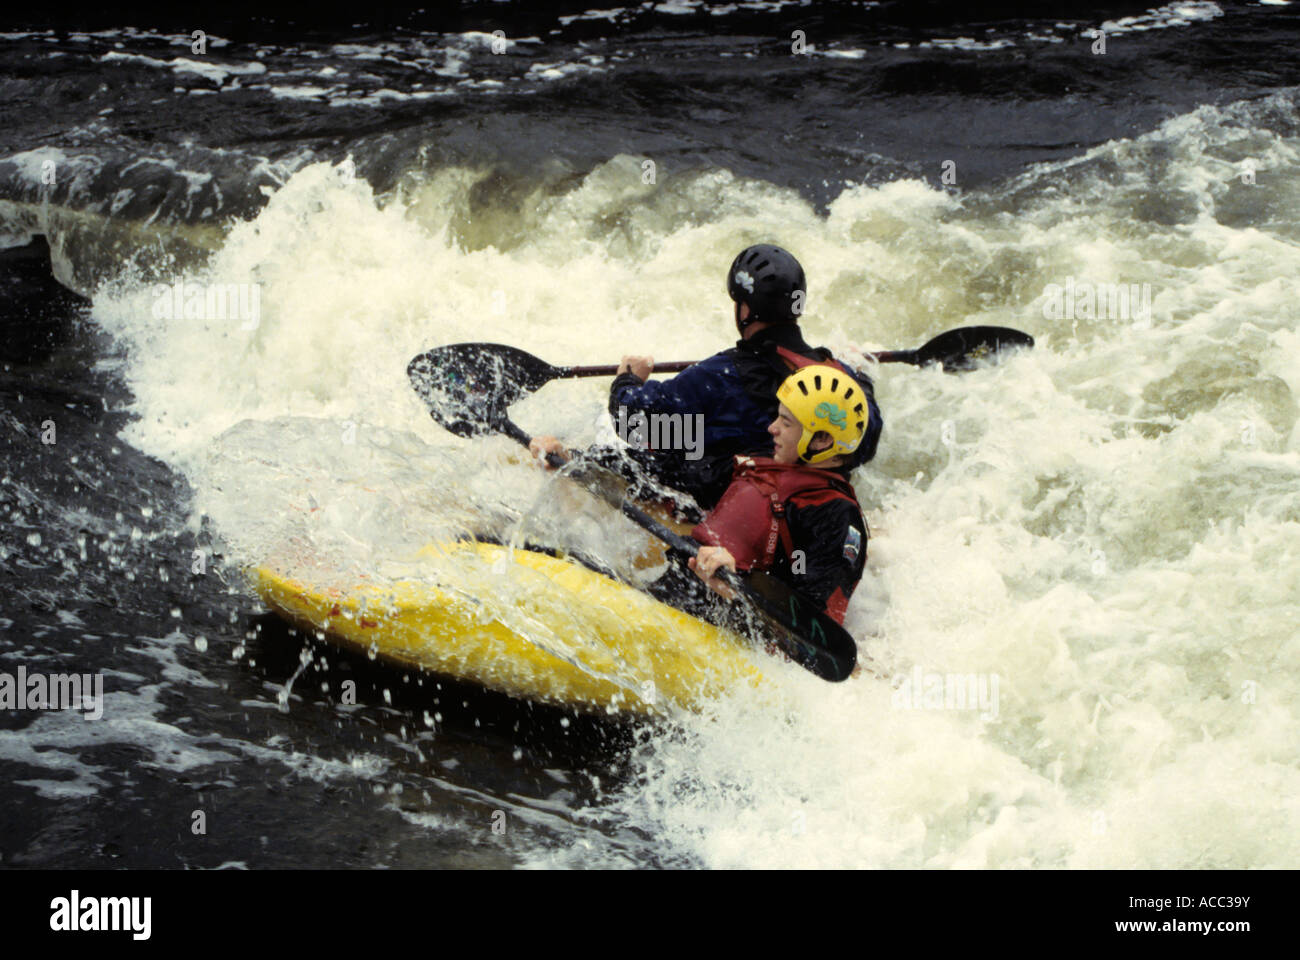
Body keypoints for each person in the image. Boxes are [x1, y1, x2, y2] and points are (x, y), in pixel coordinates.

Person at [531, 244, 882, 516]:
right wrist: (858, 376)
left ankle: (560, 460)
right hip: (800, 506)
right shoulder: (839, 379)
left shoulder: (722, 376)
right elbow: (868, 440)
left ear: (744, 310)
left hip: (729, 501)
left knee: (659, 444)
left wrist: (627, 381)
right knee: (693, 432)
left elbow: (634, 424)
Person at [685, 363, 869, 625]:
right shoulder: (765, 468)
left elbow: (811, 615)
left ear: (822, 441)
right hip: (684, 588)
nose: (772, 428)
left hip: (725, 628)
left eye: (786, 422)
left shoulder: (833, 517)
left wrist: (736, 586)